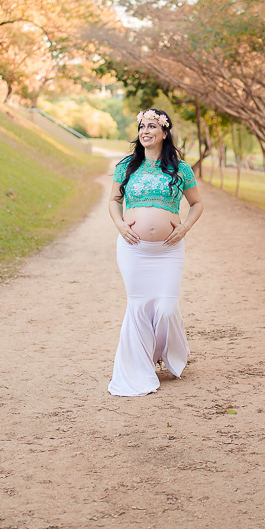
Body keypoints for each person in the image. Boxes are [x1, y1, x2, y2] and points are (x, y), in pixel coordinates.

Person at [107, 108, 204, 396]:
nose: (145, 131)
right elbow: (114, 200)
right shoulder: (127, 166)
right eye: (142, 126)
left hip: (168, 251)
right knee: (138, 305)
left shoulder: (181, 169)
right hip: (133, 250)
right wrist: (120, 224)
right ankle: (141, 363)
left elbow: (197, 204)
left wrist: (185, 227)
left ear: (164, 132)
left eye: (152, 126)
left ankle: (168, 351)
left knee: (166, 307)